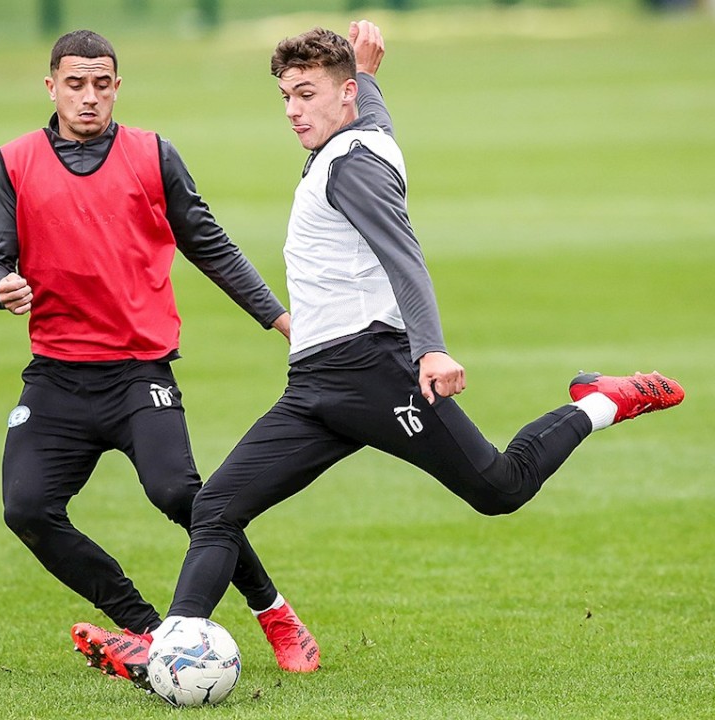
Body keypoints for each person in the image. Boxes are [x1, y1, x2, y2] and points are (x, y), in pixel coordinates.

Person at [71, 20, 685, 690]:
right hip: (314, 386)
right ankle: (173, 648)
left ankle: (601, 402)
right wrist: (365, 74)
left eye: (307, 94)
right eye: (286, 97)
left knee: (500, 489)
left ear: (344, 97)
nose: (293, 110)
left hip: (375, 373)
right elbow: (373, 117)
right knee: (216, 507)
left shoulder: (352, 167)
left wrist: (430, 350)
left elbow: (403, 256)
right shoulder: (365, 134)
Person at [0, 29, 321, 686]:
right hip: (56, 377)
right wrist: (1, 287)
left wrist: (281, 320)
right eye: (74, 84)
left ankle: (273, 612)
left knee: (181, 494)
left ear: (117, 88)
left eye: (101, 84)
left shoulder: (152, 155)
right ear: (51, 87)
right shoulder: (14, 163)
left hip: (139, 372)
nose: (88, 96)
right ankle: (148, 632)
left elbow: (211, 246)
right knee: (26, 509)